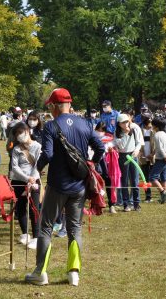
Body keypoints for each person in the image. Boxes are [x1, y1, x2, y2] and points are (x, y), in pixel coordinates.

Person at [25, 88, 104, 287]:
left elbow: (48, 154)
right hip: (79, 187)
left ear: (54, 106)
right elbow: (100, 147)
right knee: (74, 228)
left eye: (50, 106)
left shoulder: (51, 126)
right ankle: (73, 274)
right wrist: (92, 163)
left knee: (45, 227)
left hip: (57, 186)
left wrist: (35, 173)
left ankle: (40, 273)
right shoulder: (86, 123)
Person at [10, 122, 41, 250]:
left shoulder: (38, 146)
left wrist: (32, 179)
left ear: (27, 131)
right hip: (19, 181)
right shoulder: (16, 149)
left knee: (34, 209)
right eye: (16, 134)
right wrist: (26, 178)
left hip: (34, 181)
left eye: (20, 132)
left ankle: (36, 237)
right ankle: (24, 233)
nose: (18, 136)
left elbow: (39, 164)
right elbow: (14, 167)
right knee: (21, 207)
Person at [114, 113, 144, 211]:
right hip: (123, 156)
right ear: (119, 124)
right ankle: (126, 204)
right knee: (124, 181)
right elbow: (121, 146)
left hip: (133, 155)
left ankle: (136, 203)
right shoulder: (117, 132)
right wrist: (126, 134)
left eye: (127, 121)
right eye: (123, 122)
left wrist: (137, 150)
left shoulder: (135, 129)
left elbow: (139, 142)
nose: (125, 124)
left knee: (135, 181)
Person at [149, 118, 166, 204]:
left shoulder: (157, 135)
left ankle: (163, 193)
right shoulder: (165, 134)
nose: (152, 126)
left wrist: (165, 157)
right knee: (164, 179)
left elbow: (160, 148)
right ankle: (164, 199)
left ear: (156, 126)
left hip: (161, 159)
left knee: (152, 177)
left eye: (153, 125)